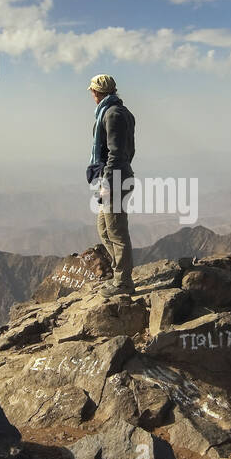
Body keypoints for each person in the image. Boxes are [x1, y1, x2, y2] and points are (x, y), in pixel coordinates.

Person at [85, 73, 135, 294]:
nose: (92, 96)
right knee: (104, 228)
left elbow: (116, 152)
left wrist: (107, 181)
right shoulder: (119, 112)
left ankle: (124, 283)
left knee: (116, 231)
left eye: (93, 92)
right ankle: (118, 275)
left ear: (97, 92)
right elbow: (129, 150)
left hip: (115, 179)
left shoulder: (112, 115)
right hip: (118, 176)